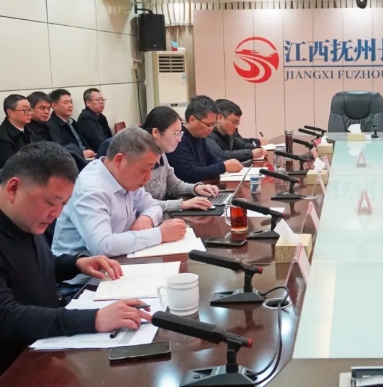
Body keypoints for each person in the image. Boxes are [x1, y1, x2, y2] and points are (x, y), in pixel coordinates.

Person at [0, 142, 152, 374]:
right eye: (50, 203)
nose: (57, 213)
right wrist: (95, 319)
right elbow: (7, 317)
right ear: (13, 188)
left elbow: (31, 269)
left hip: (47, 345)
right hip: (16, 366)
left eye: (64, 203)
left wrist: (76, 263)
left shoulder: (26, 216)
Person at [52, 128, 187, 261]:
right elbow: (102, 246)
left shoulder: (126, 178)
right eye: (145, 169)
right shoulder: (91, 189)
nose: (148, 177)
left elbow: (153, 206)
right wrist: (160, 234)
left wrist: (147, 218)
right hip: (81, 273)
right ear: (119, 160)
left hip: (119, 261)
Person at [141, 106, 220, 211]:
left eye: (180, 134)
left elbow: (174, 185)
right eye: (175, 134)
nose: (179, 140)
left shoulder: (161, 154)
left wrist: (196, 188)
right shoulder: (138, 159)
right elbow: (140, 203)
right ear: (156, 132)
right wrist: (182, 204)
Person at [166, 96, 244, 183]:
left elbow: (211, 159)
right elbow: (189, 174)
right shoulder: (178, 138)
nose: (211, 129)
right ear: (192, 120)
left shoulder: (200, 136)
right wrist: (223, 167)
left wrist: (229, 164)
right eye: (208, 125)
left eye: (213, 124)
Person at [47, 89, 95, 160]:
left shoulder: (73, 122)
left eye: (71, 102)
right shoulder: (51, 126)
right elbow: (60, 151)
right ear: (54, 106)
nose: (70, 105)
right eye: (66, 102)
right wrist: (81, 154)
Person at [0, 94, 37, 168]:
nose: (29, 113)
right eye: (25, 110)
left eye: (30, 109)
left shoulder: (29, 131)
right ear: (10, 113)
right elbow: (11, 165)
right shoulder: (2, 137)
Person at [76, 88, 112, 152]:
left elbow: (109, 137)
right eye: (97, 100)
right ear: (88, 103)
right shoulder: (86, 118)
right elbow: (98, 143)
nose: (101, 102)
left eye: (102, 99)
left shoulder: (101, 117)